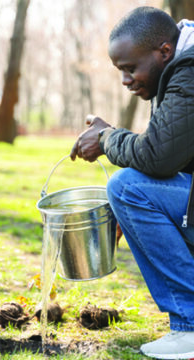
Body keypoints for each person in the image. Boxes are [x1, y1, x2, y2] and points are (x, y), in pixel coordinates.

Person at [70, 6, 194, 360]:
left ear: (164, 52)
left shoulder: (189, 71)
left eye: (130, 68)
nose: (125, 80)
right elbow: (175, 155)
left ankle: (190, 325)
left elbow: (159, 157)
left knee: (126, 187)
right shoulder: (180, 66)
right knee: (131, 192)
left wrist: (108, 139)